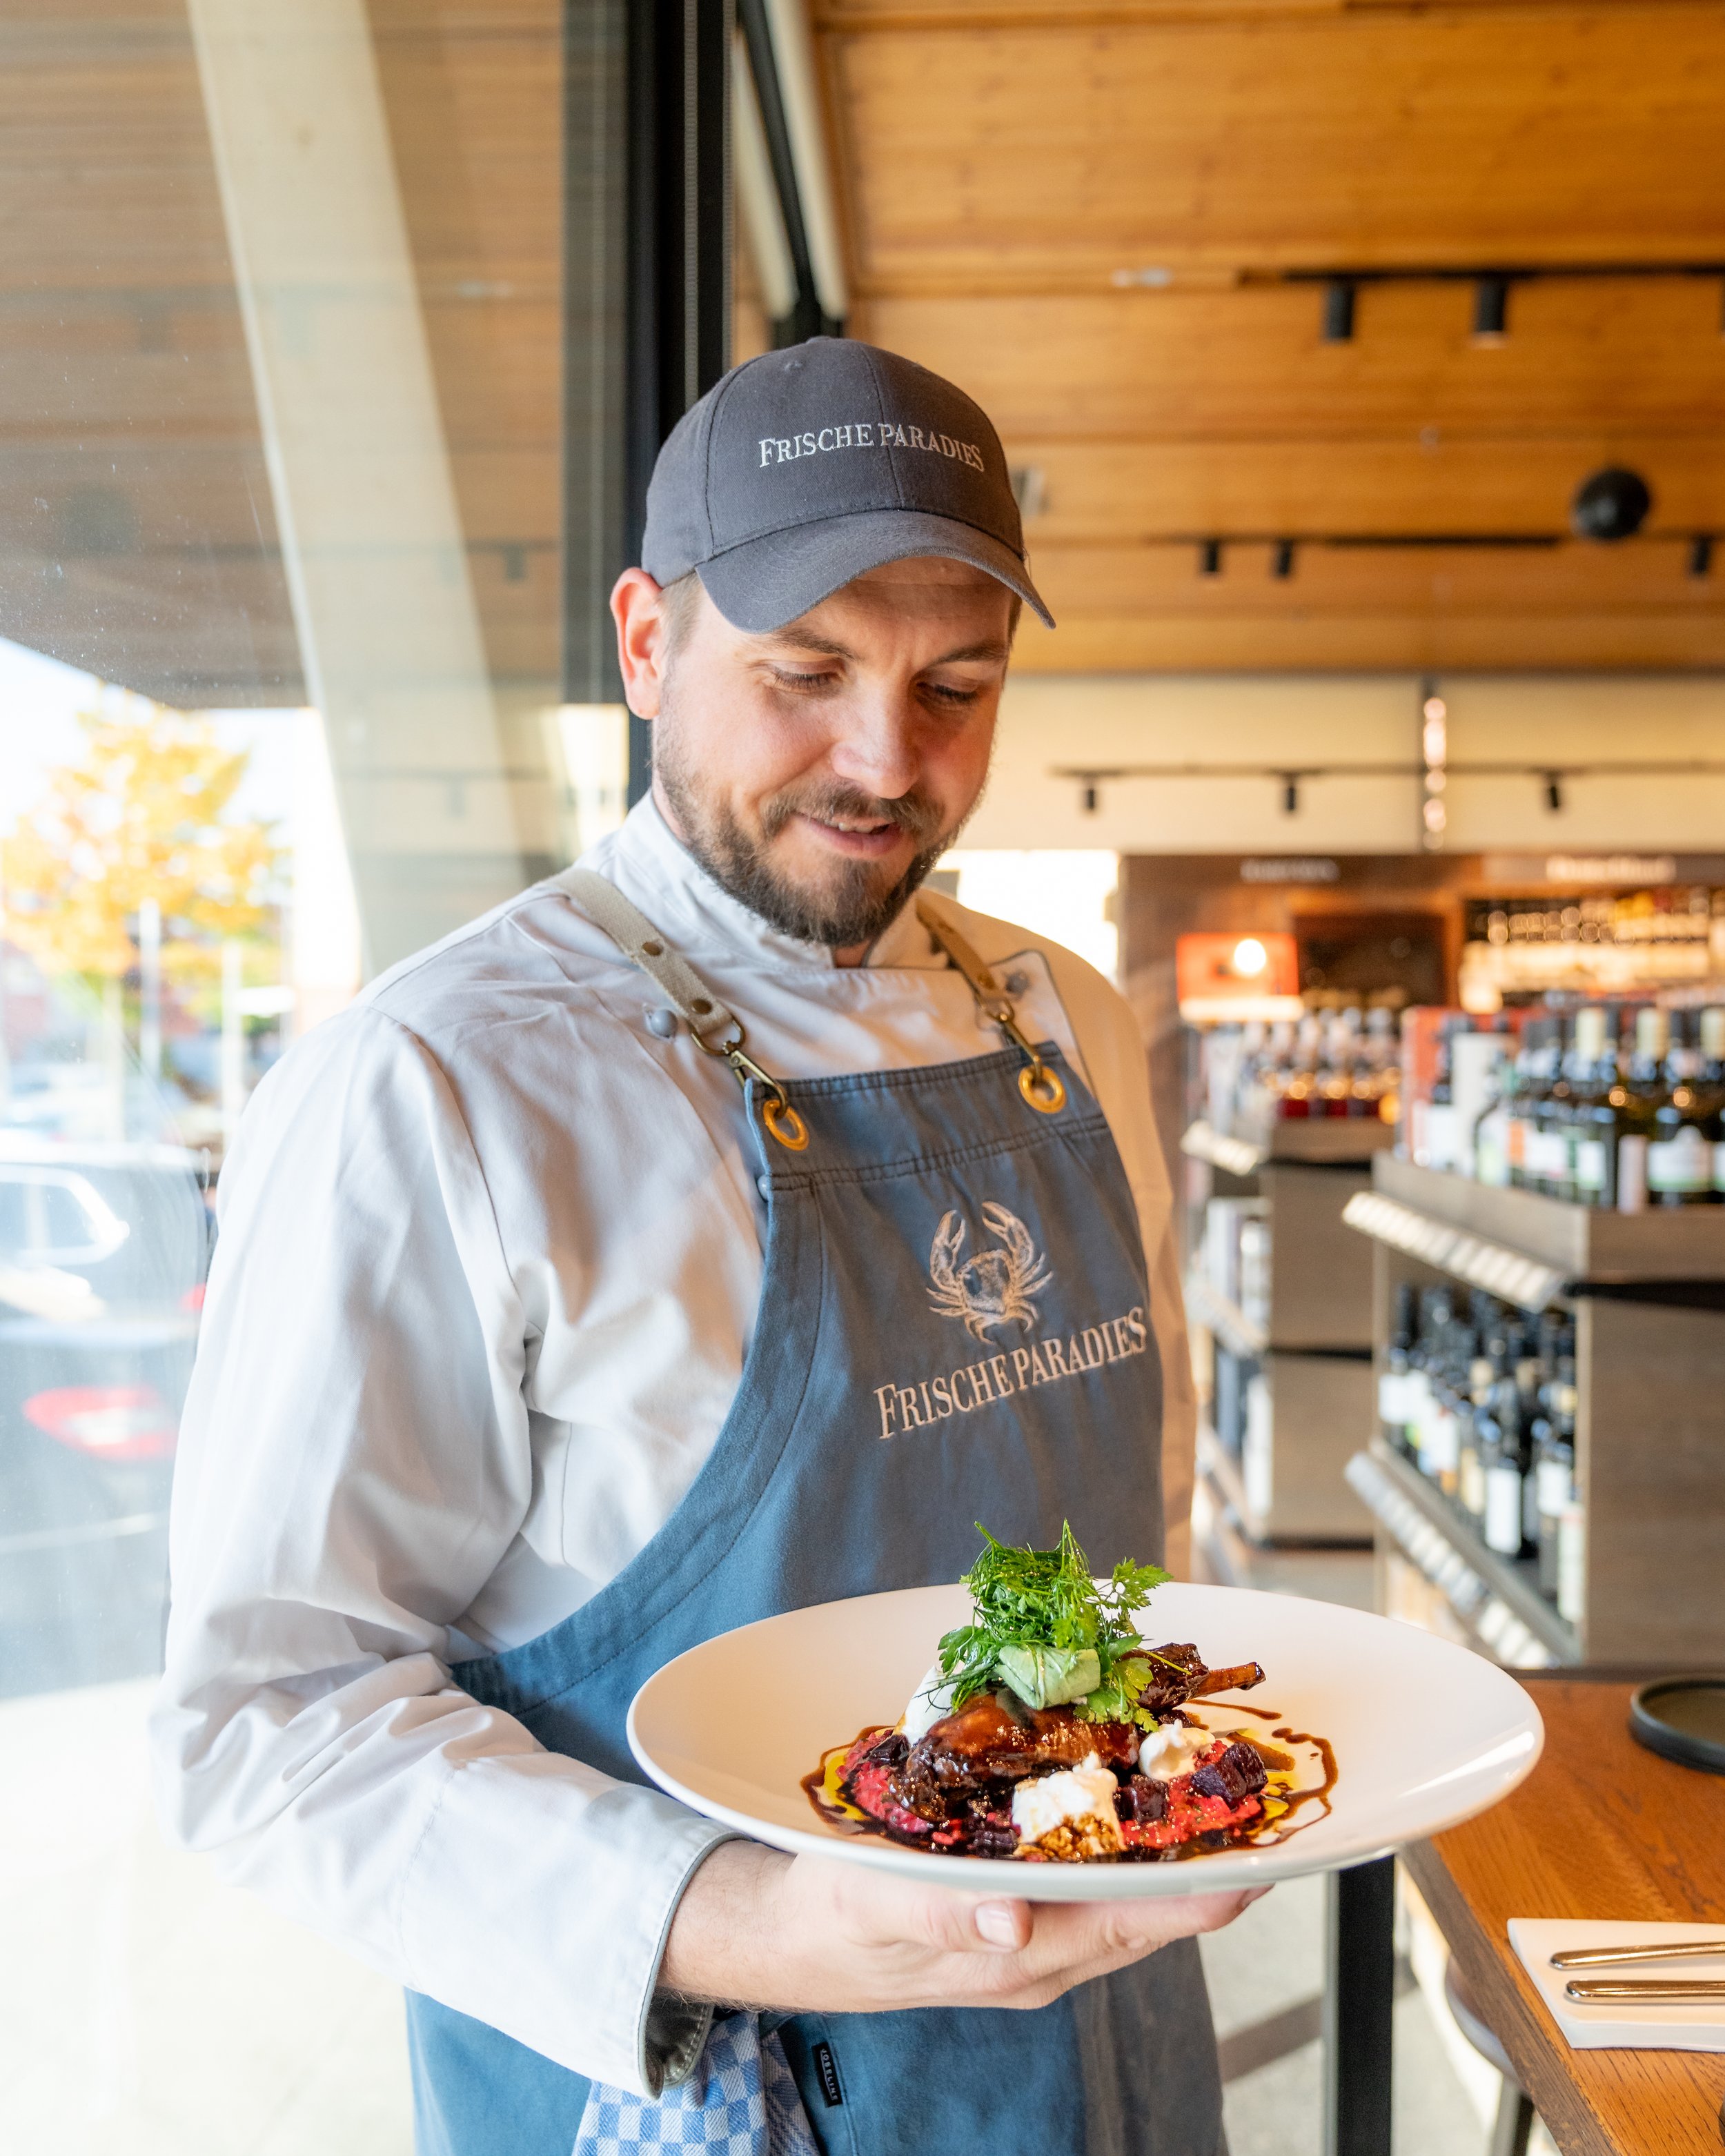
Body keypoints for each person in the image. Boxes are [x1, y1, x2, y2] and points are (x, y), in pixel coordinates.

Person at [152, 336, 1254, 2156]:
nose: (883, 759)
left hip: (1108, 2033)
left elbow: (1131, 1525)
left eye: (956, 684)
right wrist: (764, 1923)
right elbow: (271, 1718)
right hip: (717, 2071)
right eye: (803, 673)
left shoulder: (1064, 1016)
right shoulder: (435, 1080)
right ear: (647, 642)